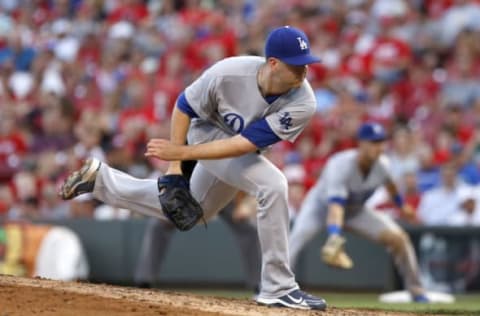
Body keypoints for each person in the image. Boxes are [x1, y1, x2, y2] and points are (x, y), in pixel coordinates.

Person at [60, 26, 327, 310]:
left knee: (192, 210)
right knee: (272, 185)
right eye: (296, 65)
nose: (304, 71)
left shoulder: (303, 101)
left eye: (306, 63)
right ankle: (279, 287)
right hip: (205, 132)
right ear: (273, 63)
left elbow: (243, 145)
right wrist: (175, 167)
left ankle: (100, 179)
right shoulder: (229, 72)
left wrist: (182, 153)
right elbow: (184, 106)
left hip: (231, 146)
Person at [288, 122, 430, 303]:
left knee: (399, 238)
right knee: (295, 240)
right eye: (373, 142)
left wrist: (402, 207)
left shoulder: (383, 165)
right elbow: (336, 206)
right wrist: (334, 236)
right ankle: (273, 288)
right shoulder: (340, 164)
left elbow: (392, 188)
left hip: (356, 212)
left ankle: (417, 290)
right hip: (319, 208)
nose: (378, 146)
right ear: (361, 144)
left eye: (380, 142)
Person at [135, 160, 261, 294]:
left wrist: (241, 204)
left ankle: (259, 284)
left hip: (218, 190)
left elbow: (236, 169)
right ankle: (144, 281)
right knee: (157, 225)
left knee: (248, 228)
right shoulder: (184, 144)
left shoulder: (217, 141)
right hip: (186, 188)